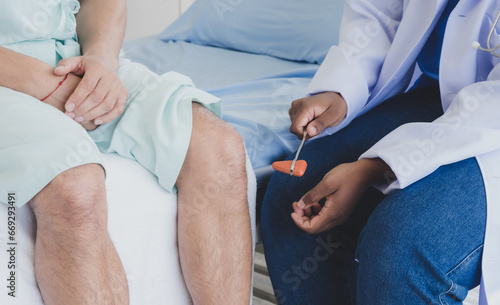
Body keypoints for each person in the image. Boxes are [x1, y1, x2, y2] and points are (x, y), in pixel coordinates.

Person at [0, 0, 253, 304]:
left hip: (73, 57)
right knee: (75, 187)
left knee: (217, 147)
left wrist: (102, 58)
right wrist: (41, 82)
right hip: (10, 76)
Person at [261, 0, 500, 304]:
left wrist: (373, 167)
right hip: (435, 95)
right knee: (294, 194)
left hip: (494, 122)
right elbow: (378, 13)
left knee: (400, 245)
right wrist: (340, 90)